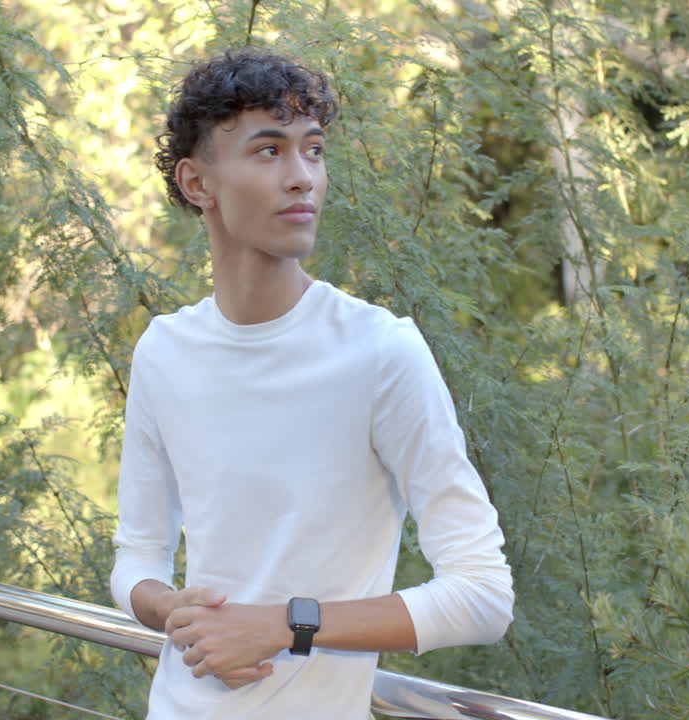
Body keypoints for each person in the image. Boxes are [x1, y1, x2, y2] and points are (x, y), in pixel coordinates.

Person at [109, 48, 514, 720]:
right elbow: (135, 559)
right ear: (196, 183)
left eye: (314, 150)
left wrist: (286, 624)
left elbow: (482, 597)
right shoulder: (164, 351)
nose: (303, 178)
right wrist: (169, 607)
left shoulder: (381, 353)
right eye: (269, 152)